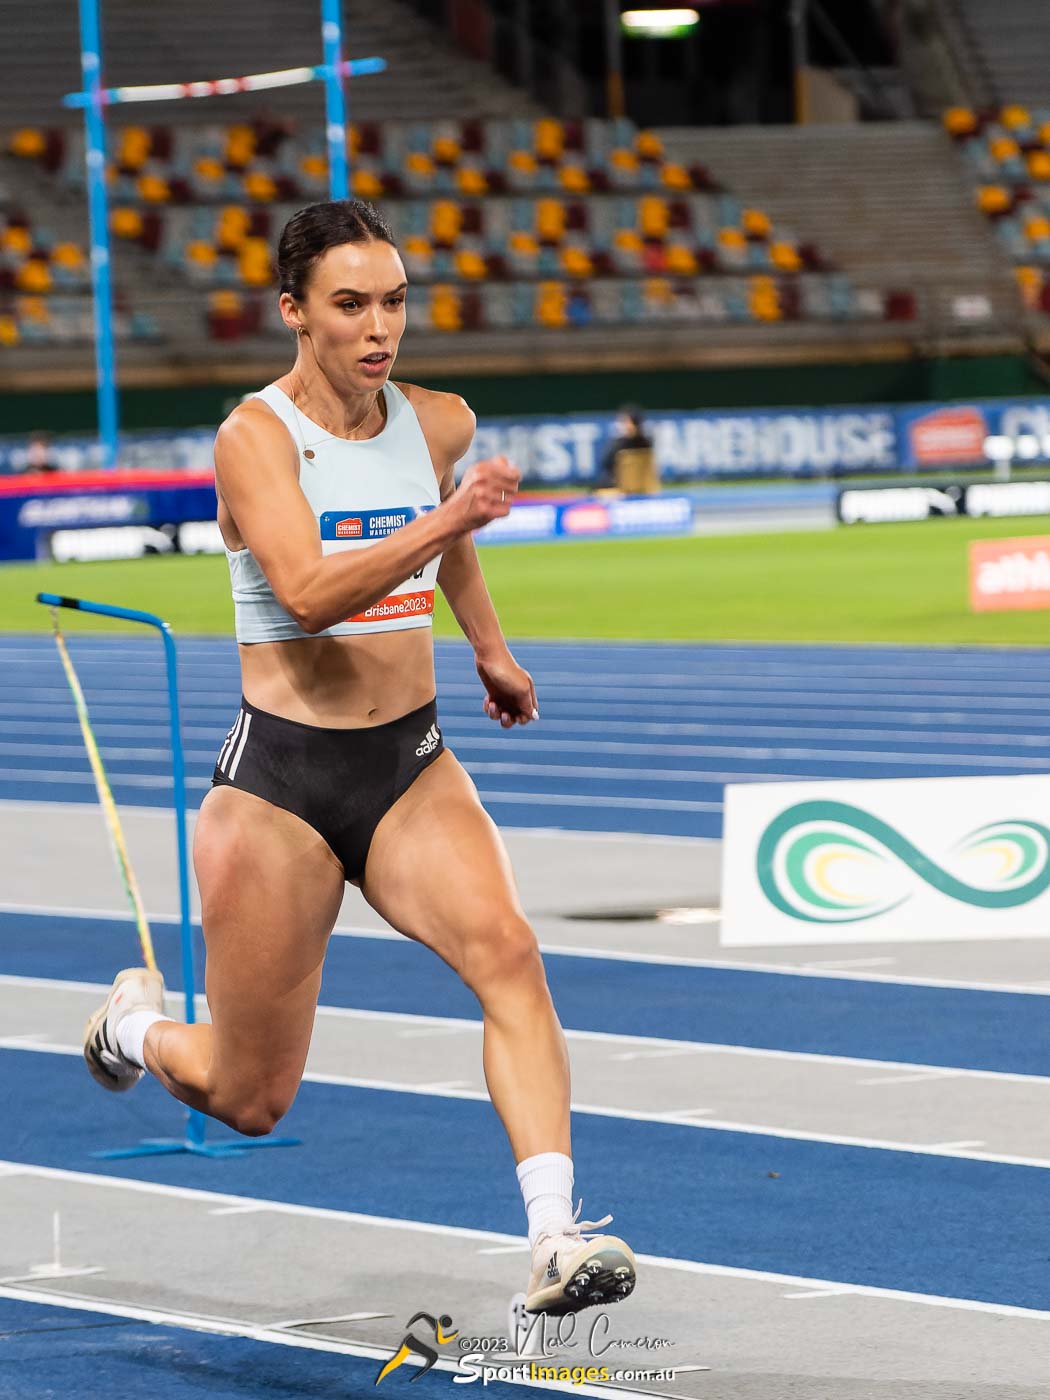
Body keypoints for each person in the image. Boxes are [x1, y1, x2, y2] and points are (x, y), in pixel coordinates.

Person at [82, 199, 636, 1318]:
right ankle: (132, 1023)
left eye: (392, 302)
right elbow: (309, 595)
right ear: (294, 312)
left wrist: (489, 647)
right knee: (251, 1096)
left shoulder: (436, 421)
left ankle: (552, 1237)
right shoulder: (255, 438)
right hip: (281, 784)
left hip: (408, 763)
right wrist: (446, 520)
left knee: (511, 955)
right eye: (350, 305)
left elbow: (454, 532)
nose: (379, 327)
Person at [596, 407, 659, 494]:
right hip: (620, 488)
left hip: (624, 490)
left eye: (626, 422)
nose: (624, 426)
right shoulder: (646, 442)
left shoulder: (619, 445)